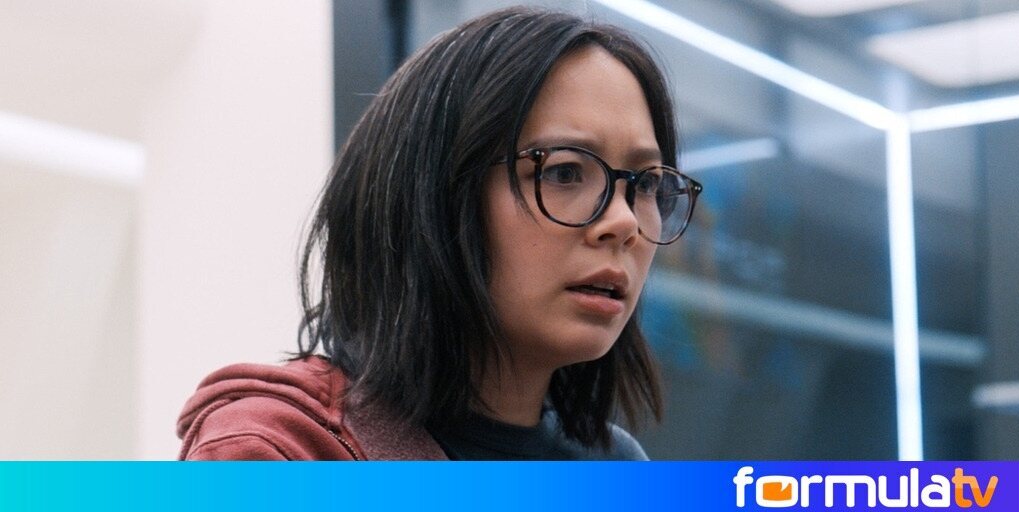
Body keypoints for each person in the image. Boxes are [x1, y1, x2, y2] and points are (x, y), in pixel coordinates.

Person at [176, 5, 702, 460]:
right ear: (435, 196)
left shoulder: (615, 465)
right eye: (564, 173)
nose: (624, 223)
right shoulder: (281, 449)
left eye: (647, 185)